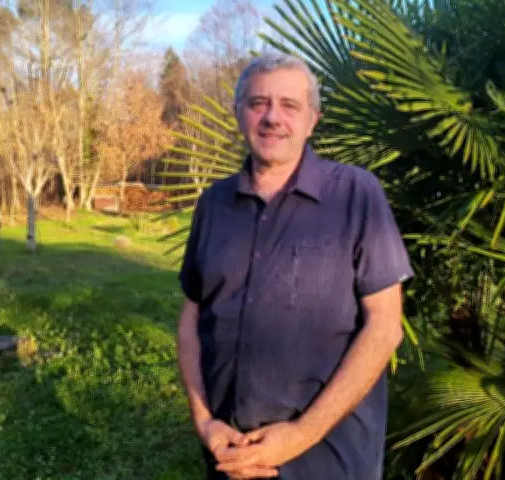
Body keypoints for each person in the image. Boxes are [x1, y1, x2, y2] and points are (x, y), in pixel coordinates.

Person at [176, 53, 413, 480]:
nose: (272, 118)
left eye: (289, 105)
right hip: (229, 454)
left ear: (312, 120)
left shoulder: (356, 194)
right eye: (258, 103)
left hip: (329, 459)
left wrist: (302, 434)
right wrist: (205, 421)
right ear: (239, 113)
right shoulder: (213, 203)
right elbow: (192, 318)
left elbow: (384, 327)